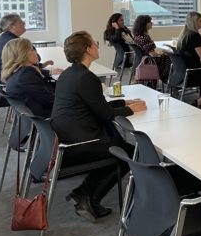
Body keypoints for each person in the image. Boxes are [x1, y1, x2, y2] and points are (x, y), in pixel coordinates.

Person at [51, 31, 146, 221]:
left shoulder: (70, 74)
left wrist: (124, 104)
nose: (97, 45)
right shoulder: (86, 78)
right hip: (80, 142)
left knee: (118, 147)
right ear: (87, 49)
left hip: (67, 137)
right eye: (94, 43)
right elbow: (106, 114)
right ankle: (90, 198)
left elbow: (95, 105)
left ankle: (82, 192)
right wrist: (132, 110)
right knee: (126, 153)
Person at [2, 37, 55, 119]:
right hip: (42, 116)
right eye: (32, 50)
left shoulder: (15, 71)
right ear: (23, 54)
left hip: (33, 112)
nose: (36, 53)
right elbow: (50, 100)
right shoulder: (26, 75)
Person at [131, 14, 171, 84]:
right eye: (150, 22)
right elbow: (152, 54)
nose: (152, 23)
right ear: (144, 24)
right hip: (149, 61)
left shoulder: (137, 36)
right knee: (169, 58)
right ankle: (169, 81)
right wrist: (162, 53)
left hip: (141, 60)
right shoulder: (145, 37)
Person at [0, 13, 28, 79]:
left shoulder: (5, 37)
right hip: (10, 77)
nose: (24, 23)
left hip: (5, 74)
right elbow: (31, 58)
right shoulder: (12, 41)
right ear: (11, 27)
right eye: (20, 22)